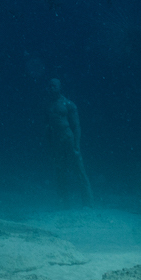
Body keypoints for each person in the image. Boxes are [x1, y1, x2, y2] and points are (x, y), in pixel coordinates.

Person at [46, 78, 93, 206]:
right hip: (57, 141)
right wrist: (50, 145)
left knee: (79, 170)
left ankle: (88, 203)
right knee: (60, 172)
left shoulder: (68, 104)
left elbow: (76, 126)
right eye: (49, 86)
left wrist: (76, 145)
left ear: (59, 87)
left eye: (54, 86)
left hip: (68, 139)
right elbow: (48, 128)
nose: (51, 88)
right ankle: (64, 203)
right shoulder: (48, 105)